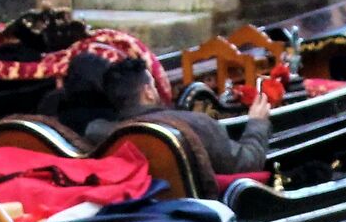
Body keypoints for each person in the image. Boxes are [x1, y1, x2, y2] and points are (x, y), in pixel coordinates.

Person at [86, 56, 272, 175]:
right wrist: (257, 122)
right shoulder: (198, 124)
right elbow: (247, 163)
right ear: (148, 92)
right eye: (153, 85)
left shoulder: (98, 134)